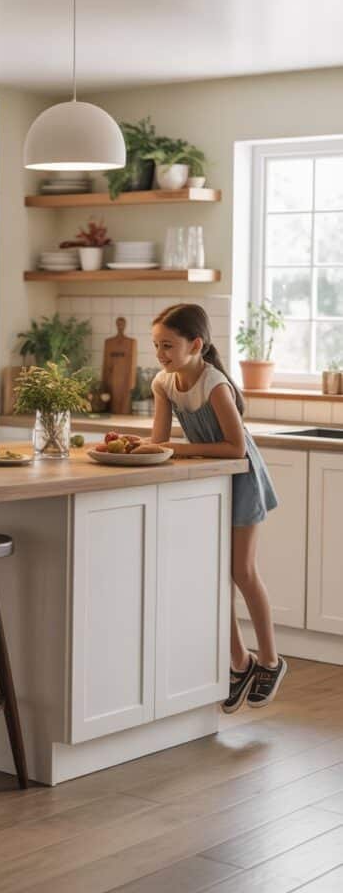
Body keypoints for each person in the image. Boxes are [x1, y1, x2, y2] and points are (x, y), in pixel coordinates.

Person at [150, 303, 286, 712]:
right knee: (212, 577)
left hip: (241, 478)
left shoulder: (214, 383)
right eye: (156, 345)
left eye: (168, 345)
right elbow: (159, 440)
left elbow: (236, 448)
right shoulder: (163, 383)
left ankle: (270, 661)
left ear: (196, 344)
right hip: (207, 482)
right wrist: (145, 447)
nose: (161, 354)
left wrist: (179, 449)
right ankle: (239, 662)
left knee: (242, 572)